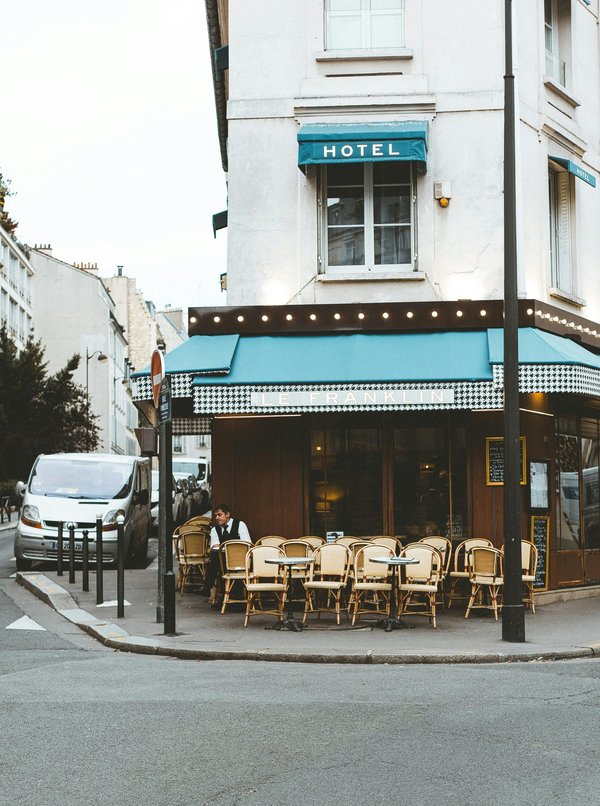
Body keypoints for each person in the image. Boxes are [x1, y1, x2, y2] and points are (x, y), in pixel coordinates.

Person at [201, 504, 251, 597]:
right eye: (216, 516)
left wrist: (225, 547)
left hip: (240, 560)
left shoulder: (240, 525)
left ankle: (209, 587)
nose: (217, 518)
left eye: (219, 515)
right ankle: (227, 593)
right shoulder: (214, 530)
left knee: (213, 562)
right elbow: (215, 547)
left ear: (227, 514)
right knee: (215, 558)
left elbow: (247, 544)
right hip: (222, 560)